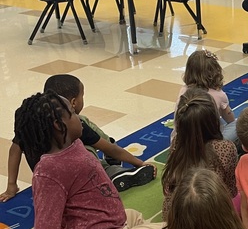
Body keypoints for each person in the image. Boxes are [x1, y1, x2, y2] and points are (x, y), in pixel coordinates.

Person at [17, 91, 164, 229]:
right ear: (59, 126)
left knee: (134, 216)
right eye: (73, 113)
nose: (78, 116)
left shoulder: (74, 144)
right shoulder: (48, 171)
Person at [0, 73, 155, 202]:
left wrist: (11, 185)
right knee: (90, 145)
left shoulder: (31, 122)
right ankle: (111, 173)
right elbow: (109, 148)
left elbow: (14, 150)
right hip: (81, 179)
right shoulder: (74, 125)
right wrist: (139, 163)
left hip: (48, 182)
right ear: (73, 103)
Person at [162, 89, 238, 218]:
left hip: (174, 220)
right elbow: (231, 191)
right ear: (213, 120)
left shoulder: (177, 142)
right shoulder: (225, 147)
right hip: (212, 219)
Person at [173, 50, 237, 144]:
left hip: (179, 142)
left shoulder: (183, 89)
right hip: (207, 146)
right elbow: (230, 119)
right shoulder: (219, 95)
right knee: (237, 124)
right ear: (216, 71)